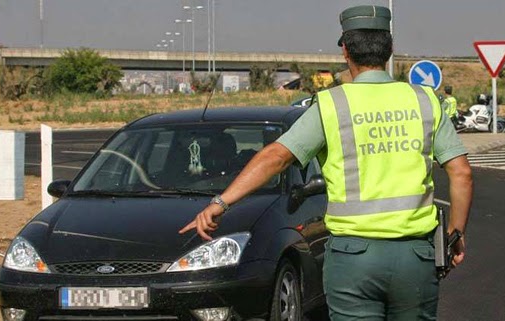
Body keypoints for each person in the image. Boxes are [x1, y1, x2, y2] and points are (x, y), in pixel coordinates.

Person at [179, 5, 473, 321]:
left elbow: (276, 157)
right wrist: (454, 234)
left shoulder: (333, 104)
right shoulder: (424, 100)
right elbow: (461, 173)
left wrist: (220, 203)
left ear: (345, 50)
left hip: (354, 259)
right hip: (415, 256)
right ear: (389, 50)